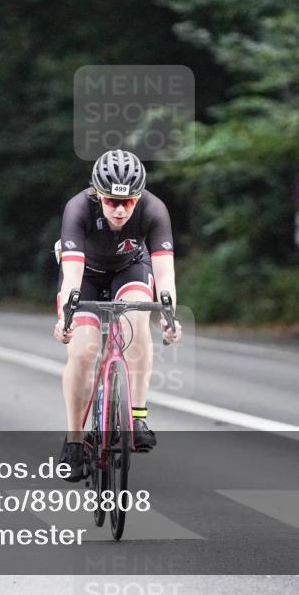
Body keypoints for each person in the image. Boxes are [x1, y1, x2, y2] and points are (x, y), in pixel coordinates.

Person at [53, 150, 182, 481]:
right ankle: (74, 442)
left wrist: (169, 316)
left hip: (130, 269)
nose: (121, 209)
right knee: (82, 353)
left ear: (139, 197)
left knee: (138, 324)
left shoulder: (154, 210)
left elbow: (165, 275)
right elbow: (71, 276)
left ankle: (137, 417)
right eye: (111, 201)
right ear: (97, 193)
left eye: (129, 202)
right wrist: (65, 318)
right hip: (86, 275)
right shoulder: (78, 208)